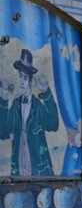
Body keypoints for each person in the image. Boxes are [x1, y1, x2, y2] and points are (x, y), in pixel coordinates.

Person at [1, 48, 60, 176]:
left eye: (25, 78)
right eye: (20, 76)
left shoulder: (38, 106)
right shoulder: (15, 104)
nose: (21, 81)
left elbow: (53, 124)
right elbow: (3, 131)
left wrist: (47, 92)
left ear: (30, 81)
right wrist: (4, 99)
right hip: (19, 168)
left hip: (38, 169)